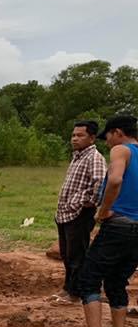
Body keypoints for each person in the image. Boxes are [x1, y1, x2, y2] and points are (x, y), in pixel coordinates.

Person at [60, 115, 138, 327]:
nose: (107, 142)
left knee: (87, 279)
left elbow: (114, 180)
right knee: (116, 281)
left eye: (109, 136)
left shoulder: (121, 150)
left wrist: (102, 211)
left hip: (118, 225)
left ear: (117, 132)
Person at [52, 120, 106, 304]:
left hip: (79, 214)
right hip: (66, 214)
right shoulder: (78, 156)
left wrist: (83, 202)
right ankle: (68, 288)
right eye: (73, 135)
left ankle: (75, 293)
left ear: (92, 138)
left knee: (77, 256)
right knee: (67, 254)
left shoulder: (94, 157)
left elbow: (100, 184)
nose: (75, 138)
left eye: (80, 135)